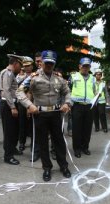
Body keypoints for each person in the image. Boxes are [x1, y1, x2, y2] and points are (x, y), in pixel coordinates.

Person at [16, 50, 71, 182]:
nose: (49, 66)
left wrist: (67, 103)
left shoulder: (58, 77)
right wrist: (29, 105)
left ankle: (63, 166)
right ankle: (47, 168)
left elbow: (67, 92)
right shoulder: (33, 78)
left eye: (51, 63)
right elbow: (19, 92)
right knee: (43, 142)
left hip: (56, 113)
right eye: (46, 63)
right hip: (40, 114)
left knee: (59, 141)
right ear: (41, 63)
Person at [0, 54, 23, 165]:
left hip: (11, 103)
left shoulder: (9, 73)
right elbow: (6, 90)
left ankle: (12, 149)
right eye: (20, 65)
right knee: (9, 131)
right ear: (15, 63)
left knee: (14, 130)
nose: (21, 68)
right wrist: (12, 107)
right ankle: (8, 156)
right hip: (9, 104)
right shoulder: (8, 73)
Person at [70, 57, 96, 158]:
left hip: (89, 107)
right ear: (79, 66)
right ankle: (77, 149)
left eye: (87, 66)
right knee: (77, 129)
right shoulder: (73, 76)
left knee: (87, 128)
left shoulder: (92, 78)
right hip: (77, 106)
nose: (85, 68)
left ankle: (85, 147)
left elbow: (94, 91)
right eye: (84, 66)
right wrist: (68, 103)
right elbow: (68, 90)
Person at [17, 57, 34, 152]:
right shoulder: (20, 76)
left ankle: (33, 143)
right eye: (25, 66)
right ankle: (22, 143)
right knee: (22, 124)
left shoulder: (35, 75)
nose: (27, 68)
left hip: (32, 103)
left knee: (32, 124)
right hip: (22, 103)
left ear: (32, 66)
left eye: (28, 66)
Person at [92, 69, 108, 133]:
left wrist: (107, 100)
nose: (98, 75)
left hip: (102, 101)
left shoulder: (103, 83)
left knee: (102, 114)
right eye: (97, 74)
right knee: (95, 114)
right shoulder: (92, 82)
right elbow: (90, 91)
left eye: (99, 74)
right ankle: (97, 127)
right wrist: (94, 93)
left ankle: (104, 127)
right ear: (95, 75)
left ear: (101, 75)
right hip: (94, 101)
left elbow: (106, 92)